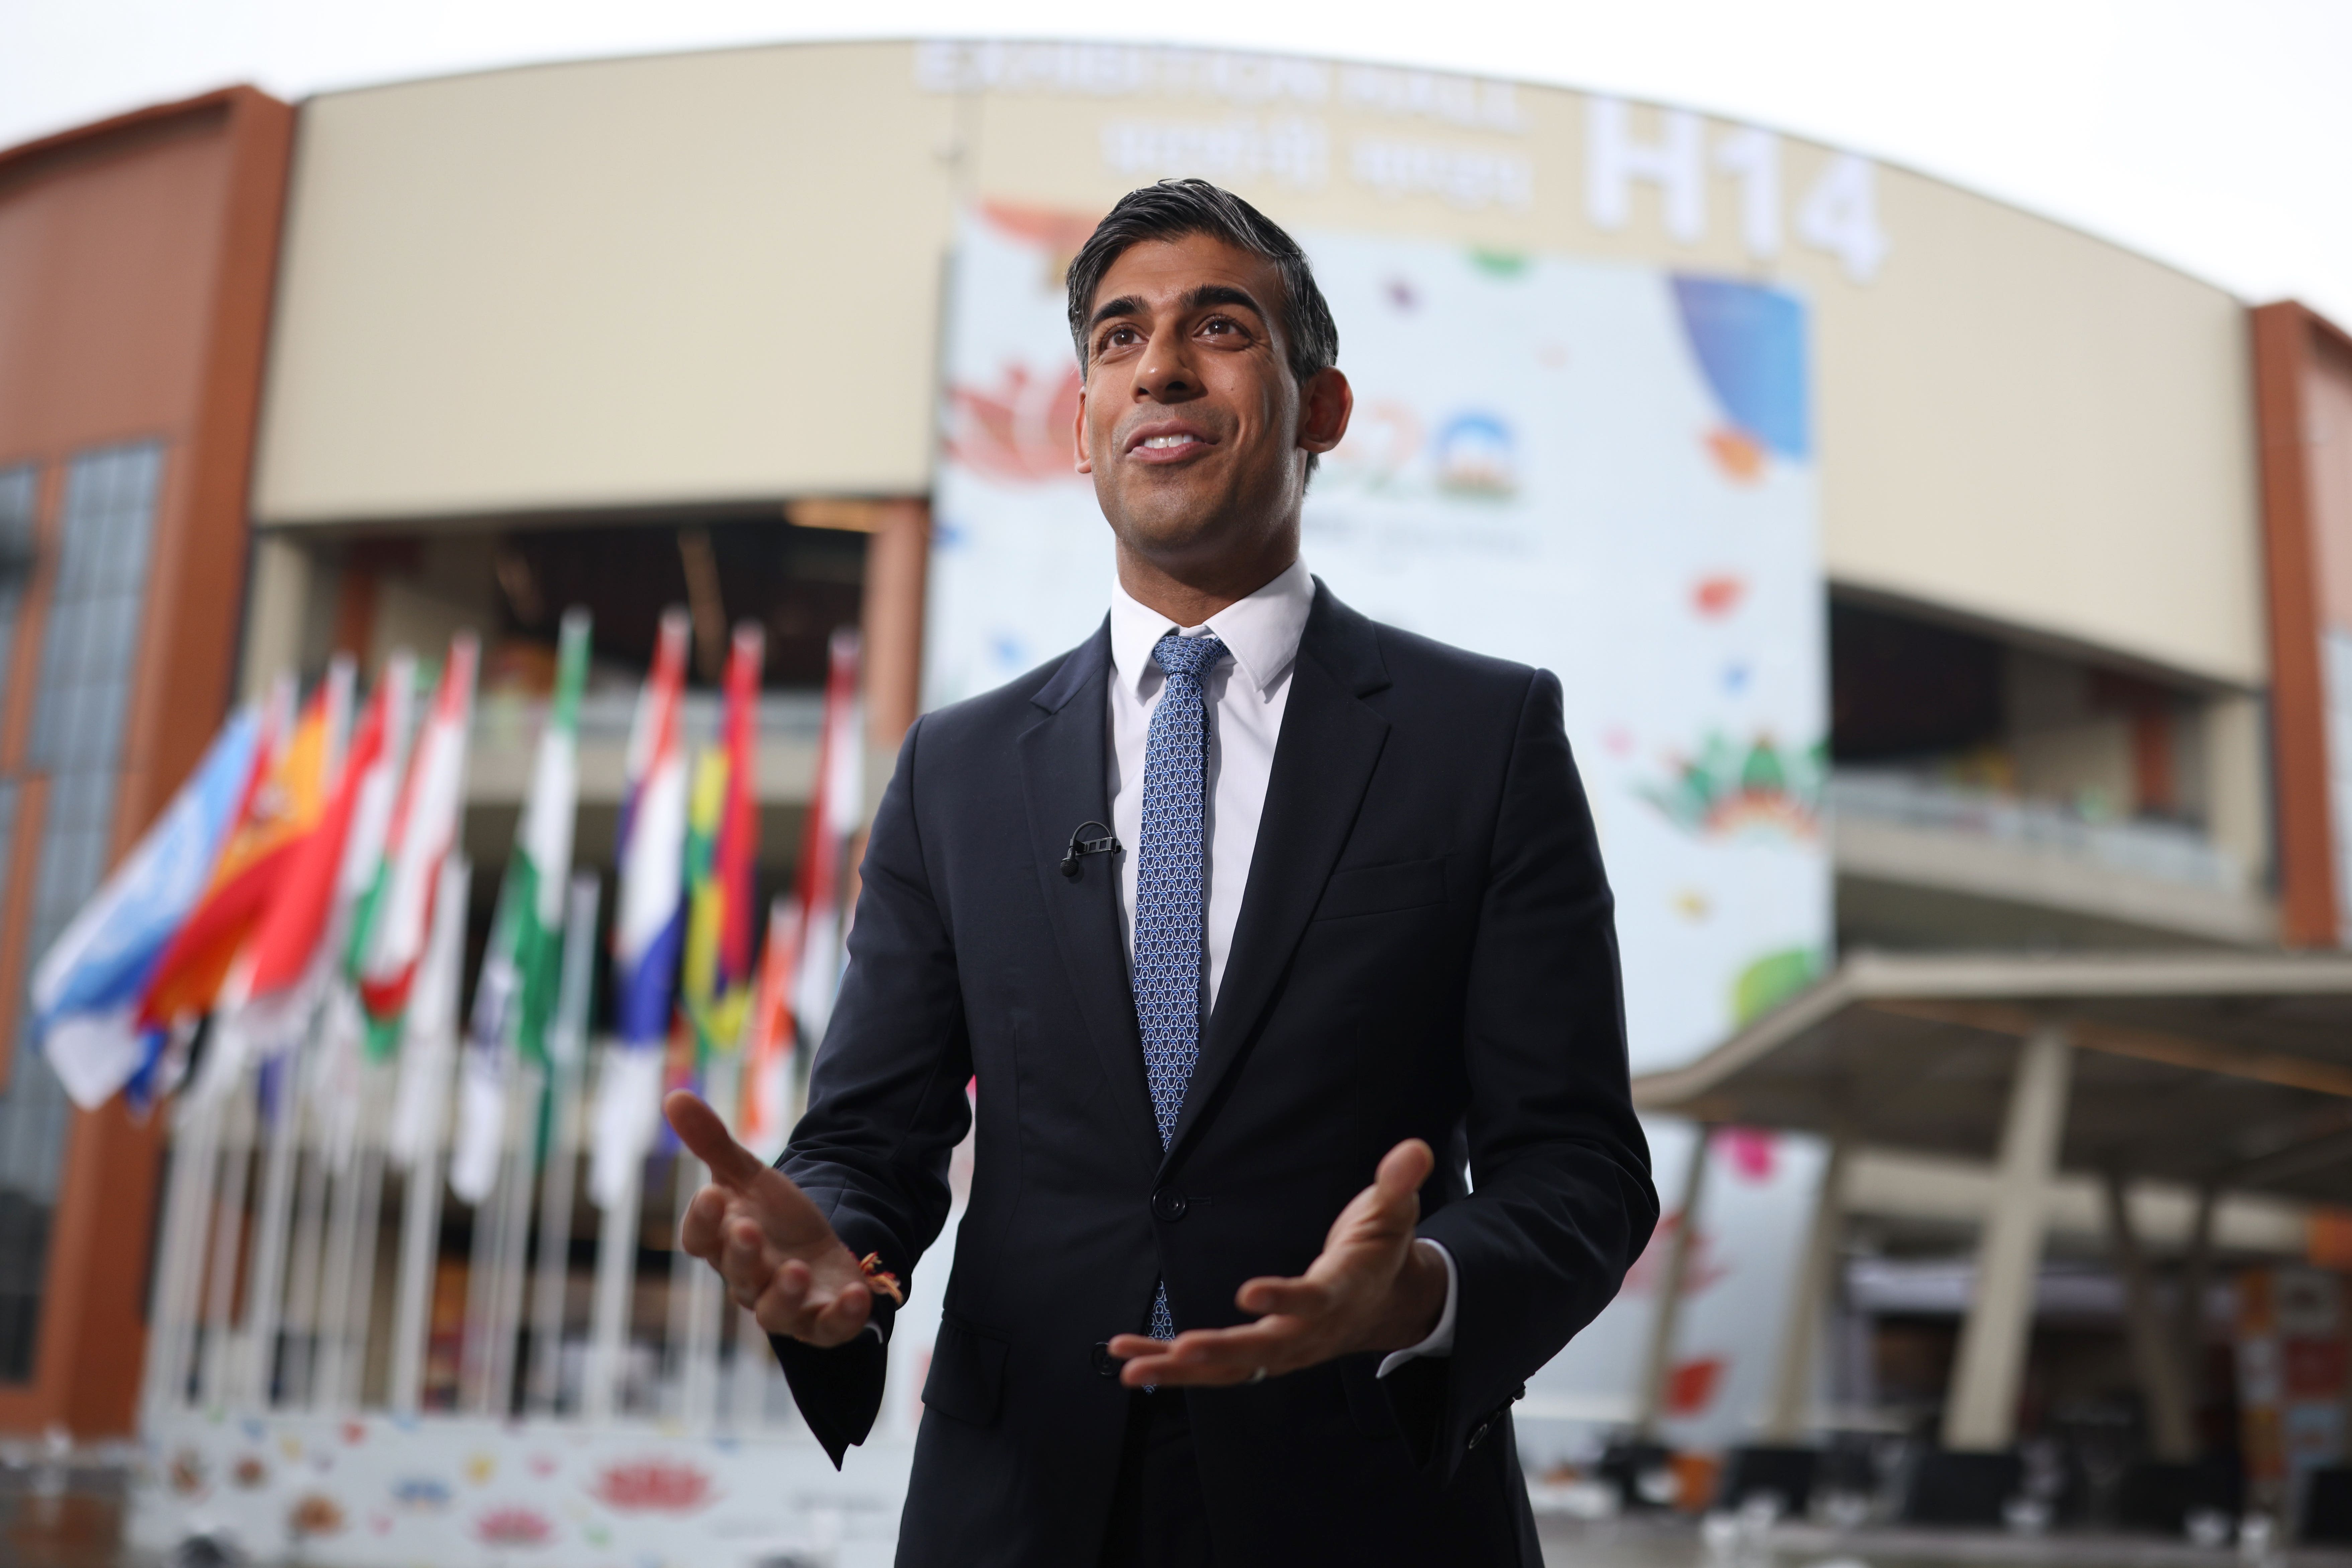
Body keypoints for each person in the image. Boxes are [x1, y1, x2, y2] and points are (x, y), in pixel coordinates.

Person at [666, 178, 1657, 1567]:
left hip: (1369, 1499)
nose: (1162, 365)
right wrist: (824, 1245)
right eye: (1119, 337)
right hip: (1017, 1507)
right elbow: (872, 1136)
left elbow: (1582, 1169)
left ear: (1324, 409)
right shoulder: (956, 770)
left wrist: (1417, 1290)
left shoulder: (1483, 739)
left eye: (1221, 326)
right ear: (1080, 426)